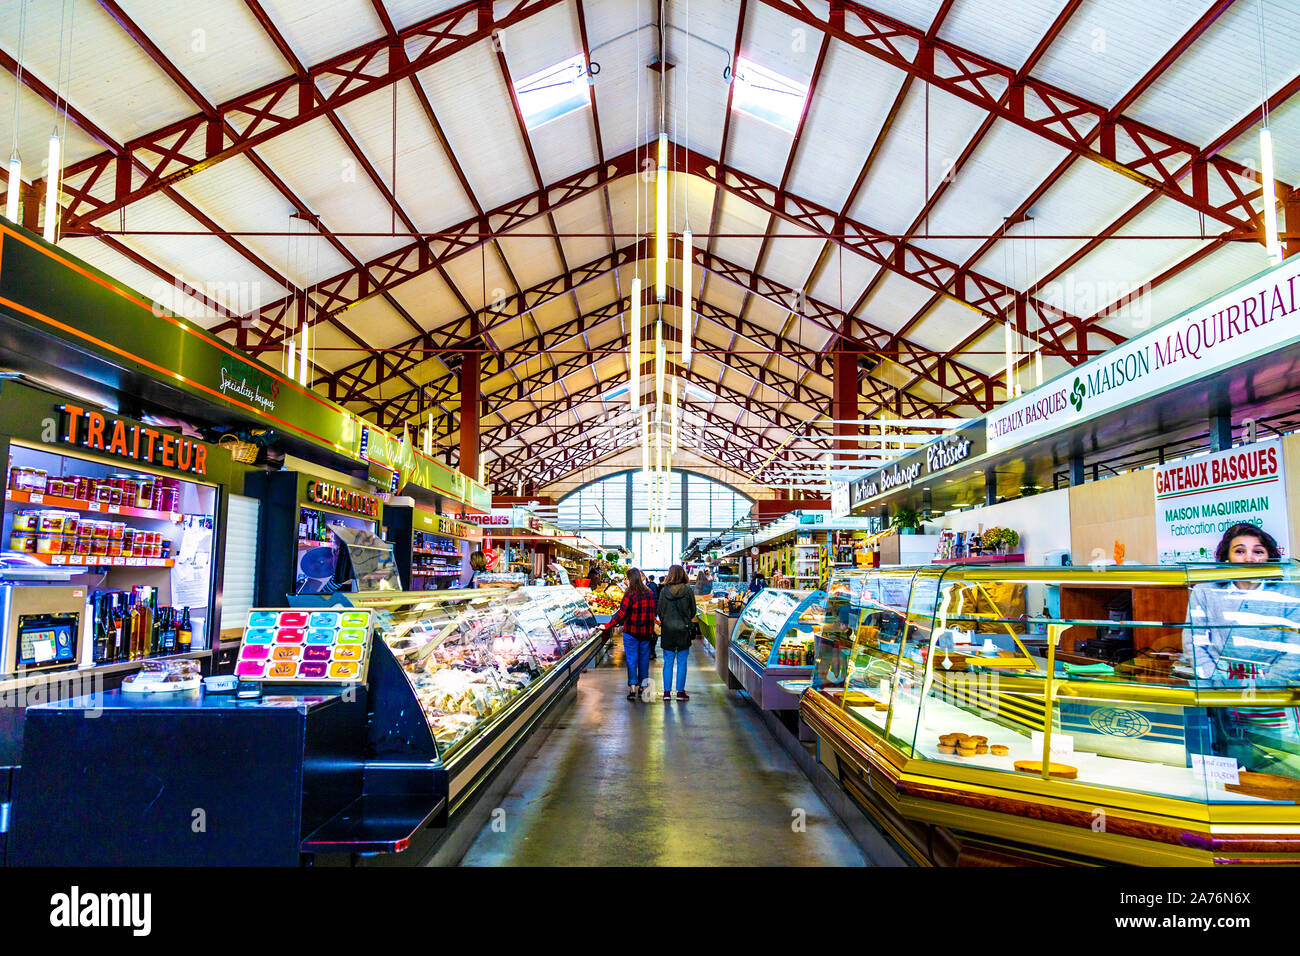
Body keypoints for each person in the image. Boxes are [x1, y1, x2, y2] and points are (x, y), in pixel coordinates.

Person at [1183, 523, 1300, 755]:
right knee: (1230, 761)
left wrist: (1261, 687)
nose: (1250, 557)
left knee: (1279, 762)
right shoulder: (1206, 590)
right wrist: (1217, 681)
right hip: (1222, 696)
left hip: (1275, 696)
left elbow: (1295, 650)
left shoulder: (1289, 592)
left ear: (1269, 557)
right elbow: (1193, 640)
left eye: (1258, 551)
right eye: (1239, 551)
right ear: (1226, 558)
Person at [602, 568, 657, 700]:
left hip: (631, 632)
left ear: (630, 579)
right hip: (646, 633)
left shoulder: (629, 594)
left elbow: (622, 614)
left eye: (626, 578)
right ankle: (643, 687)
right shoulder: (649, 593)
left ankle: (632, 688)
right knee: (644, 660)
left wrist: (607, 625)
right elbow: (652, 613)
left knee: (631, 660)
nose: (625, 581)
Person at [657, 564, 699, 701]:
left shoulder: (663, 591)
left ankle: (667, 693)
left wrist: (666, 621)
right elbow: (693, 610)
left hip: (668, 630)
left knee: (668, 662)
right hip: (683, 629)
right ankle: (680, 692)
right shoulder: (688, 590)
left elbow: (660, 611)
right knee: (682, 662)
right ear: (683, 574)